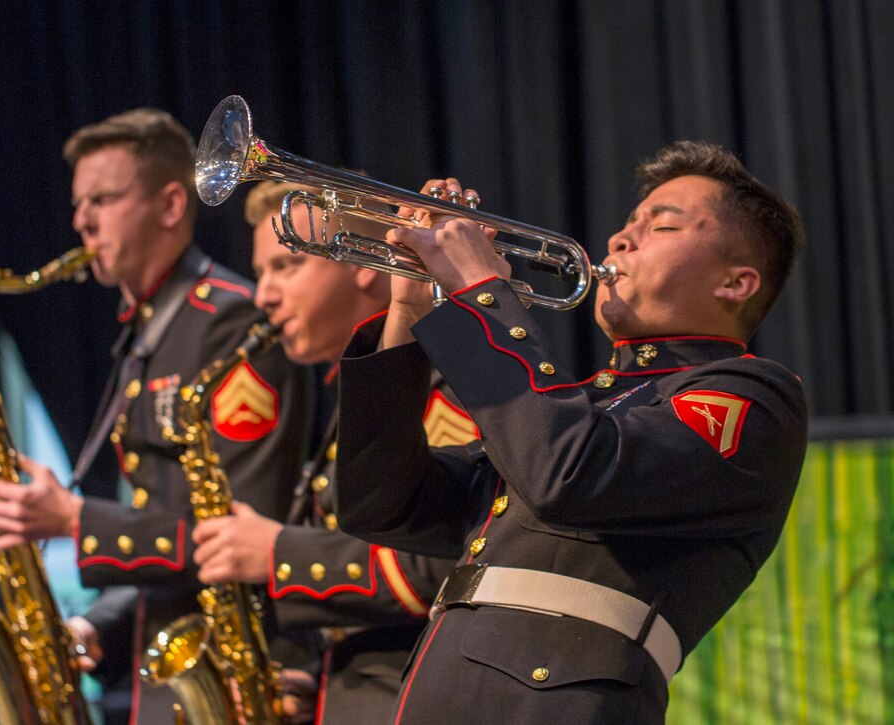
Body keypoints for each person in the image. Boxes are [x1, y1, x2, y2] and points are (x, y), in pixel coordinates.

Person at [332, 141, 808, 723]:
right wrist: (408, 310)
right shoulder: (584, 401)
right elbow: (382, 506)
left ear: (735, 284)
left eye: (661, 225)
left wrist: (481, 292)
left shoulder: (754, 397)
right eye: (628, 223)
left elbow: (566, 474)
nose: (619, 240)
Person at [0, 109, 310, 724]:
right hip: (169, 674)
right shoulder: (147, 334)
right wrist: (92, 624)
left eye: (103, 199)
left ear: (170, 205)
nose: (82, 221)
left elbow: (235, 533)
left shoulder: (232, 324)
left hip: (240, 678)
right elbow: (164, 545)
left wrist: (76, 520)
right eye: (79, 204)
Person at [191, 181, 480, 724]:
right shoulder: (354, 395)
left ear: (361, 262)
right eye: (259, 274)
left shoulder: (438, 380)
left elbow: (442, 563)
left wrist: (278, 552)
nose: (262, 296)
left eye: (285, 266)